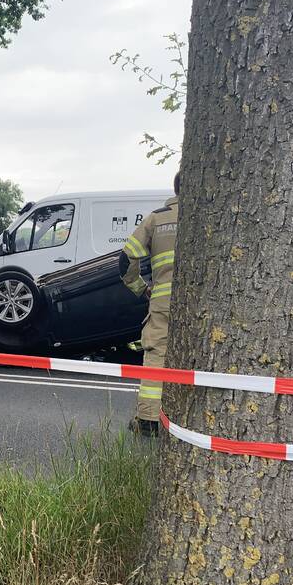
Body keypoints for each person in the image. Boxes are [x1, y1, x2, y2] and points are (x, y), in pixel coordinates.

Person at [119, 172, 180, 437]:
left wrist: (141, 288)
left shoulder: (158, 218)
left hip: (164, 302)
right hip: (204, 307)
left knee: (157, 356)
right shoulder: (210, 215)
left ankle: (148, 420)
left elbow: (126, 260)